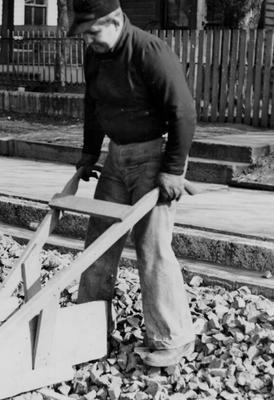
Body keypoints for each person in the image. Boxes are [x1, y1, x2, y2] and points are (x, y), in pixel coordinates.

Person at [69, 0, 196, 367]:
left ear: (117, 20)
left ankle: (172, 337)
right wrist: (89, 154)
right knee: (98, 242)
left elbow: (183, 110)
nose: (89, 40)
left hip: (154, 157)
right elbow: (93, 105)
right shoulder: (95, 56)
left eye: (94, 31)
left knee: (152, 247)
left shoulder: (149, 50)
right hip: (116, 154)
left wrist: (173, 169)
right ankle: (87, 327)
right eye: (85, 33)